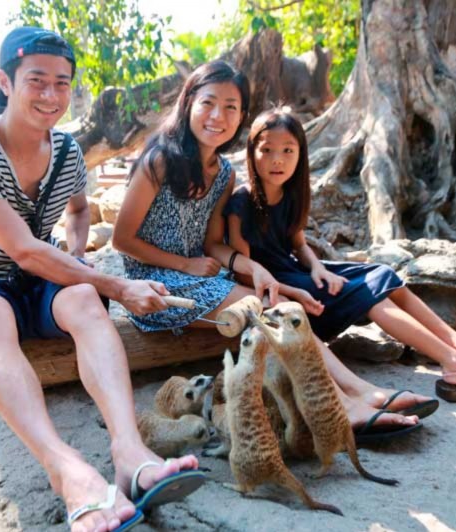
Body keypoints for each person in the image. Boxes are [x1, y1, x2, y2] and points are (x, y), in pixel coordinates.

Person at [0, 27, 204, 532]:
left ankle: (130, 452)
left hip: (45, 277)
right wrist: (121, 286)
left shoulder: (66, 152)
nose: (50, 94)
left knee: (83, 294)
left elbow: (79, 209)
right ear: (5, 81)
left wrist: (79, 255)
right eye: (36, 80)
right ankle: (66, 470)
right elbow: (20, 249)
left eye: (62, 83)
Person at [113, 61, 423, 440]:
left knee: (284, 308)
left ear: (242, 115)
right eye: (209, 103)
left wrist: (255, 270)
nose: (218, 116)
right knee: (266, 314)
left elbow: (213, 243)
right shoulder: (160, 160)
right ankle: (342, 406)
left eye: (231, 107)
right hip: (155, 284)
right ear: (189, 102)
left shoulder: (224, 174)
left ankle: (357, 390)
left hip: (204, 273)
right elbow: (122, 241)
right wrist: (185, 264)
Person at [224, 107, 456, 404]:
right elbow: (244, 272)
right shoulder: (242, 201)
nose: (277, 160)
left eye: (288, 150)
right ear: (251, 152)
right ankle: (454, 363)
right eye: (267, 150)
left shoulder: (292, 194)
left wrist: (319, 269)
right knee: (369, 295)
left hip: (300, 273)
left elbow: (298, 243)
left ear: (301, 154)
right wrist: (296, 289)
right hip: (279, 290)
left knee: (382, 275)